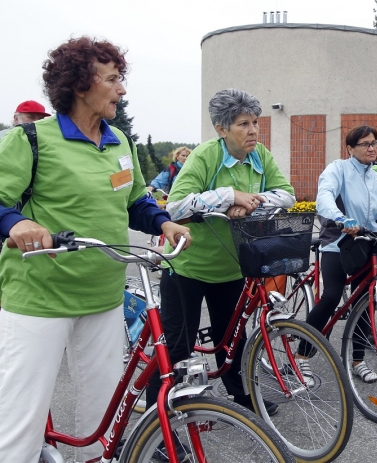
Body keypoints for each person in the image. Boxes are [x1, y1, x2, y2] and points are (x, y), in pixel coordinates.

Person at [0, 37, 191, 463]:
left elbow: (135, 200)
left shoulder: (118, 141)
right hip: (39, 299)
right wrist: (18, 223)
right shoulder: (31, 139)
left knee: (104, 420)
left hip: (103, 297)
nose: (122, 90)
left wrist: (163, 222)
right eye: (113, 79)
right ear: (81, 85)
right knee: (19, 431)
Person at [144, 89, 295, 425]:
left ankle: (242, 397)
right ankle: (157, 420)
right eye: (244, 124)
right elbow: (176, 206)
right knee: (177, 348)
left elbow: (286, 195)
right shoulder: (205, 157)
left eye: (255, 122)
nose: (254, 130)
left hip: (231, 266)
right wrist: (227, 196)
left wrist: (251, 200)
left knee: (233, 341)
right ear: (222, 129)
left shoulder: (261, 157)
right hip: (188, 266)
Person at [305, 125, 377, 383]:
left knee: (365, 303)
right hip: (338, 242)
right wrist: (340, 218)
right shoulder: (338, 170)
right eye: (366, 144)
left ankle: (357, 360)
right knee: (332, 296)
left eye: (375, 143)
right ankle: (301, 357)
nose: (372, 148)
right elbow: (323, 198)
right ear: (350, 148)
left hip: (367, 246)